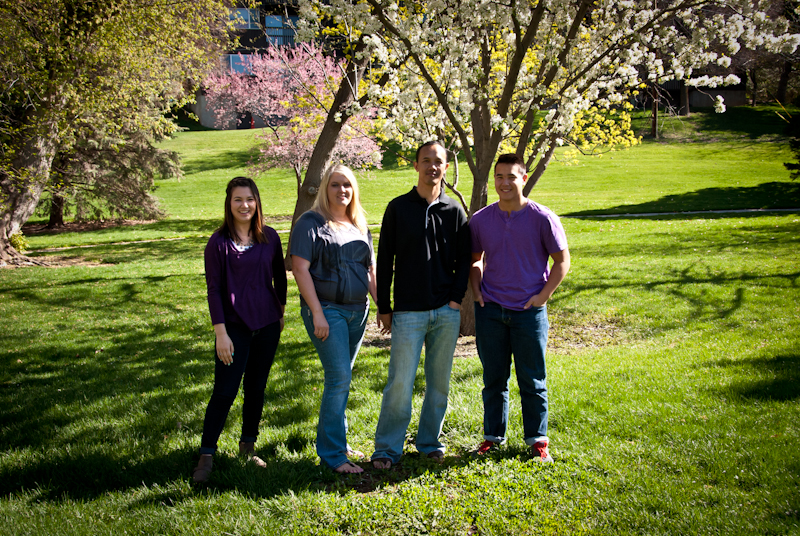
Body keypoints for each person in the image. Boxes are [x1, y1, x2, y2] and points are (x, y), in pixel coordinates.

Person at [371, 141, 471, 469]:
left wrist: (455, 300)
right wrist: (384, 306)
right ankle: (387, 449)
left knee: (439, 384)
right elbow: (384, 260)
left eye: (438, 161)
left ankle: (429, 442)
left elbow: (464, 259)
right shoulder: (398, 208)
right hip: (408, 312)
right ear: (415, 166)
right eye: (426, 160)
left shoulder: (454, 211)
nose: (432, 166)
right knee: (400, 383)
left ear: (445, 167)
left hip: (445, 312)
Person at [469, 153, 570, 462]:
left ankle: (537, 441)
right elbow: (475, 259)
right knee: (493, 379)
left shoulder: (543, 218)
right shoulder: (481, 219)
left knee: (532, 379)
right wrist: (476, 290)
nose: (504, 183)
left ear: (523, 179)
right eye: (499, 177)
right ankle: (492, 437)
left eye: (511, 177)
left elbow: (562, 261)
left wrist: (543, 297)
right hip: (491, 310)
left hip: (529, 311)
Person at [192, 177, 287, 483]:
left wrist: (280, 311)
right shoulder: (218, 243)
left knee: (256, 388)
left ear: (257, 202)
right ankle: (207, 454)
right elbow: (214, 290)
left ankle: (248, 445)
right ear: (228, 203)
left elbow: (280, 278)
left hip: (267, 325)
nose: (244, 205)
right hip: (233, 328)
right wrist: (220, 333)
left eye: (249, 199)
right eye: (238, 199)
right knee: (225, 391)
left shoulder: (269, 237)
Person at [291, 164, 377, 474]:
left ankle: (338, 442)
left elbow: (370, 269)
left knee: (342, 377)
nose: (342, 190)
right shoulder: (310, 222)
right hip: (327, 310)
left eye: (347, 185)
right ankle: (333, 455)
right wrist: (317, 312)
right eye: (335, 184)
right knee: (339, 377)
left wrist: (382, 306)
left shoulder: (359, 224)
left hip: (358, 311)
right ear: (325, 188)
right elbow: (299, 269)